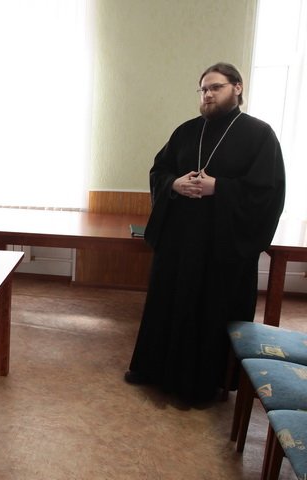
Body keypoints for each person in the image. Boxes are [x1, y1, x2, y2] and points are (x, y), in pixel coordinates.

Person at [125, 62, 286, 403]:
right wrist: (174, 184)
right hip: (179, 242)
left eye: (216, 87)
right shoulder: (186, 131)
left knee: (209, 312)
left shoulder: (260, 135)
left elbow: (267, 192)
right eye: (203, 89)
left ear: (237, 88)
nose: (207, 94)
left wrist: (219, 188)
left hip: (223, 247)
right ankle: (153, 369)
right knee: (168, 304)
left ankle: (202, 384)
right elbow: (159, 170)